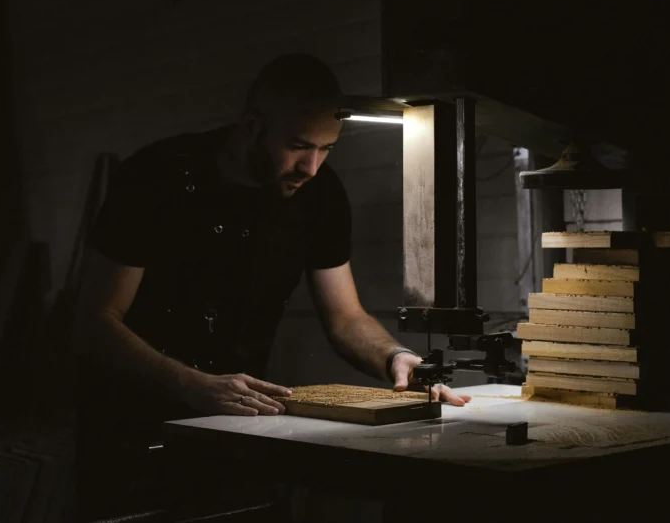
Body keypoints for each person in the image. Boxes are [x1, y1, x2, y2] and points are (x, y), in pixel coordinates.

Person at [75, 53, 471, 518]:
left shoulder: (319, 195)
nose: (312, 167)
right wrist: (191, 383)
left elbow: (346, 318)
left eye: (327, 149)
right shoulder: (156, 175)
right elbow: (95, 322)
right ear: (250, 125)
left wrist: (397, 358)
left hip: (239, 423)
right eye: (299, 145)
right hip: (130, 427)